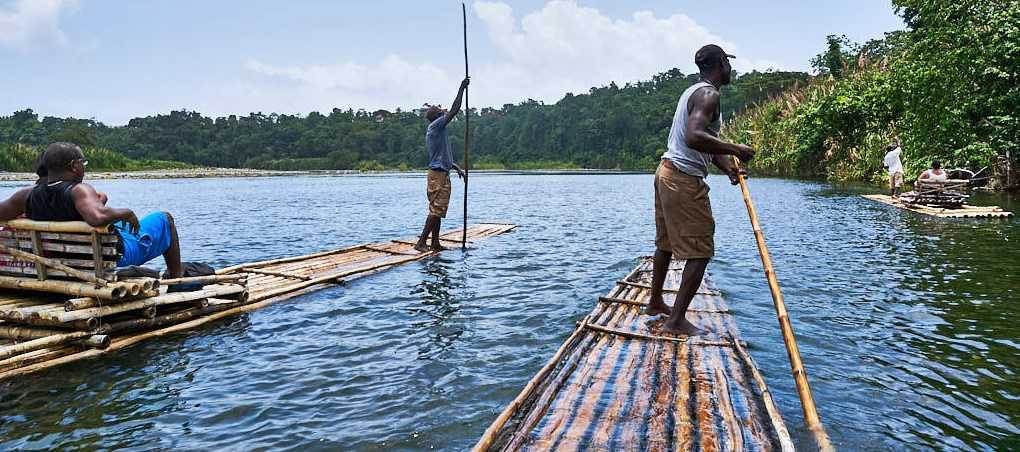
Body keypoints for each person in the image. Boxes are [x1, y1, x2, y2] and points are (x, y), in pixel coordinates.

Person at [643, 44, 754, 336]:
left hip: (666, 172)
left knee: (665, 243)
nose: (731, 68)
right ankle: (676, 320)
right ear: (721, 64)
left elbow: (703, 140)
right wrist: (736, 149)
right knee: (701, 251)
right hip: (682, 180)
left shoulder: (693, 91)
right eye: (728, 63)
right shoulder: (709, 94)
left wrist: (727, 166)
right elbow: (694, 136)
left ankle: (655, 302)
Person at [0, 142, 183, 278]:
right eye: (83, 163)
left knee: (118, 223)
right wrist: (127, 212)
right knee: (164, 219)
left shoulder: (26, 195)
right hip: (110, 255)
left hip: (63, 257)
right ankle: (177, 280)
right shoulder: (78, 190)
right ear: (73, 166)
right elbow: (96, 217)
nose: (83, 168)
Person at [413, 77, 469, 252]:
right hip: (437, 175)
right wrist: (461, 88)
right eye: (440, 110)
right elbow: (454, 110)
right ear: (437, 116)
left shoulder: (437, 130)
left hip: (441, 173)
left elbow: (442, 157)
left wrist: (457, 168)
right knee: (436, 209)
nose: (443, 111)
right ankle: (421, 242)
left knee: (439, 210)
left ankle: (435, 242)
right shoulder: (436, 126)